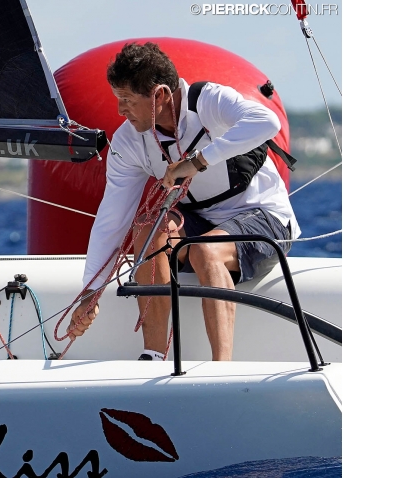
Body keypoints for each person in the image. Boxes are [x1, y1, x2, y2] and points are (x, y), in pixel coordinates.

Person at [68, 42, 300, 361]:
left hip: (263, 216)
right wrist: (90, 291)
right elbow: (112, 217)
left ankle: (221, 368)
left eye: (127, 101)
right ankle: (152, 355)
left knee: (206, 250)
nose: (120, 110)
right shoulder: (128, 140)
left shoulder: (210, 101)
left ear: (160, 96)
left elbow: (266, 123)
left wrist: (196, 162)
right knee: (148, 229)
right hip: (201, 221)